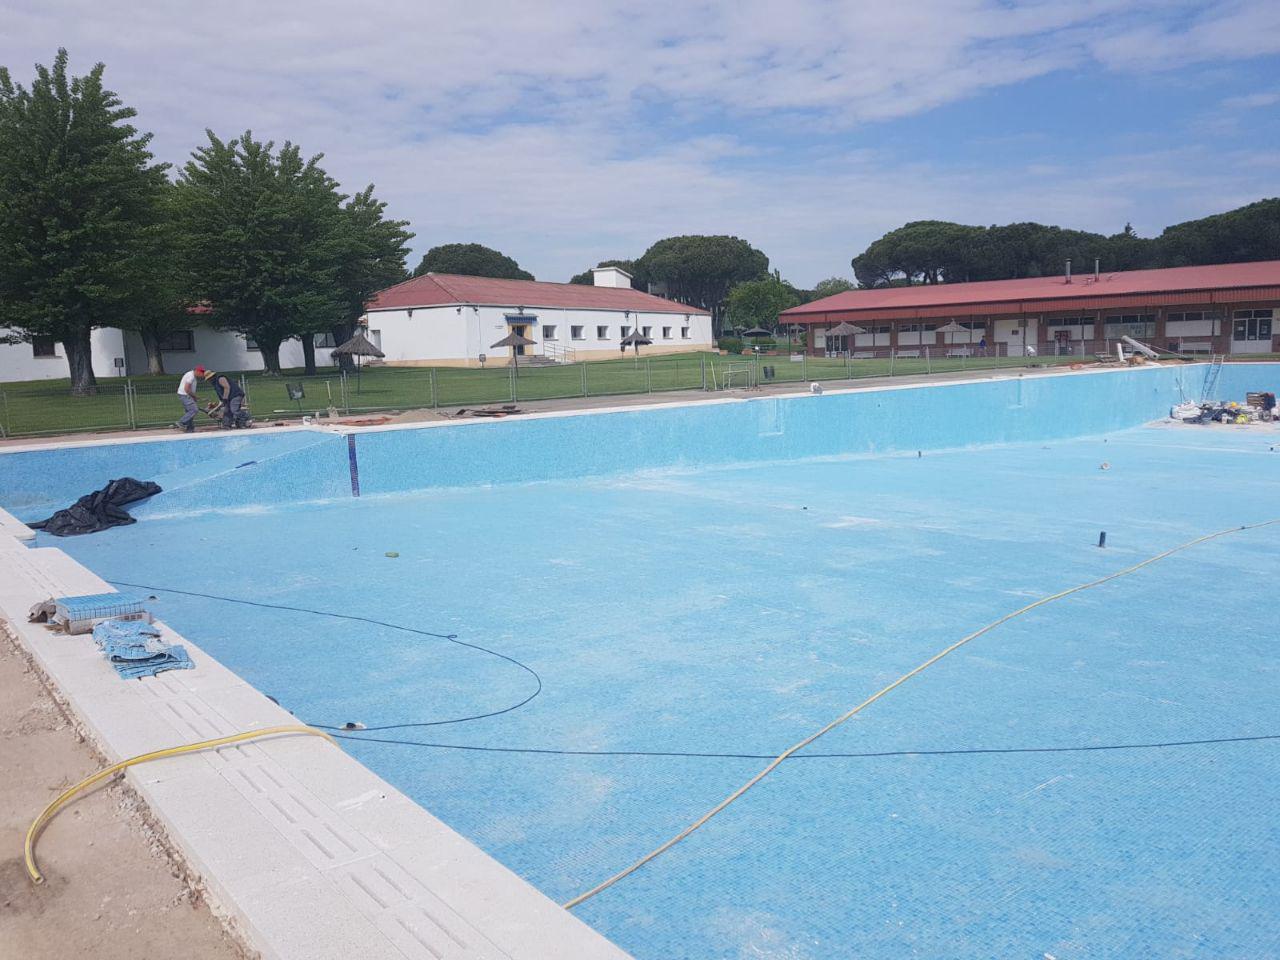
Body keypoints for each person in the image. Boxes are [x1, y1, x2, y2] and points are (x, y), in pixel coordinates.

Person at [175, 365, 204, 432]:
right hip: (185, 395)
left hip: (184, 394)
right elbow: (187, 389)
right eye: (201, 373)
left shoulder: (191, 375)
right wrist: (194, 397)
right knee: (194, 410)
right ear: (197, 371)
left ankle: (190, 428)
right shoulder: (191, 376)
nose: (202, 375)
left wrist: (193, 397)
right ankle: (181, 422)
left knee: (189, 411)